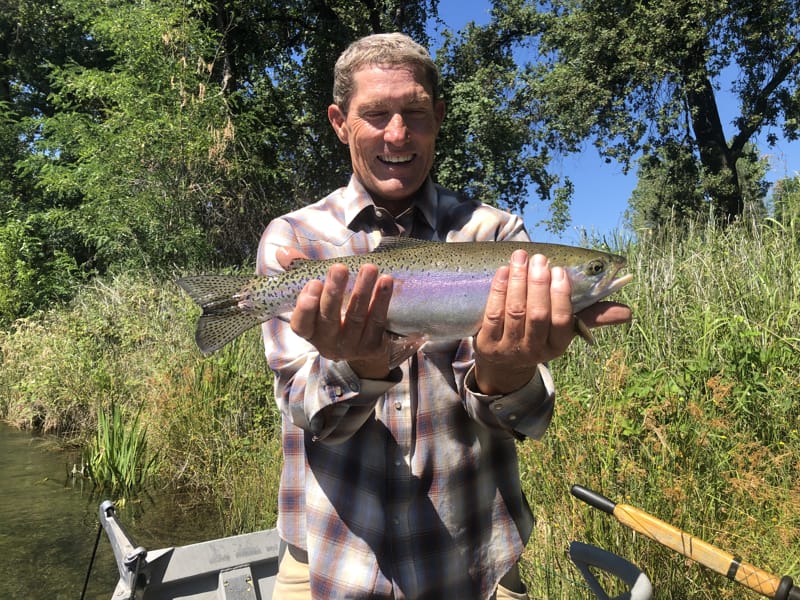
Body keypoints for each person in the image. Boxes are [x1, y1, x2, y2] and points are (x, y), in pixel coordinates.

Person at [256, 32, 631, 600]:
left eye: (414, 112)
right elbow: (313, 417)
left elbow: (527, 421)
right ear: (339, 122)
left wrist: (505, 372)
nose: (397, 133)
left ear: (440, 117)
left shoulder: (500, 236)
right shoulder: (297, 242)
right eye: (376, 114)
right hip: (329, 565)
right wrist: (358, 364)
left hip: (476, 563)